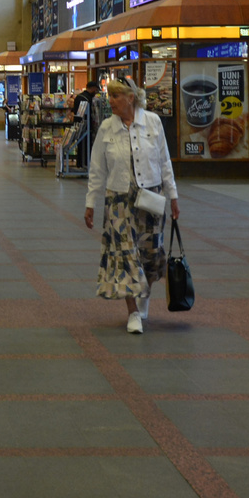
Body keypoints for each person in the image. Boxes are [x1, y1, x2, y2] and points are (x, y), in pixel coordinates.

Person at [83, 80, 180, 334]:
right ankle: (133, 312)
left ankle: (143, 295)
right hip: (118, 199)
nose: (111, 100)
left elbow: (164, 161)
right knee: (124, 255)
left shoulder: (153, 122)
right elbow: (97, 169)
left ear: (131, 98)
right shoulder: (106, 128)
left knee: (151, 253)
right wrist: (90, 202)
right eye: (110, 96)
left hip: (151, 196)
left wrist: (174, 196)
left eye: (116, 96)